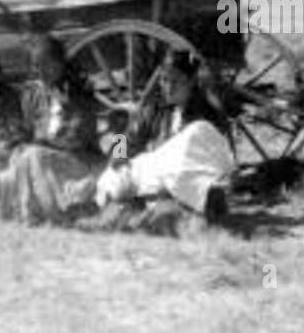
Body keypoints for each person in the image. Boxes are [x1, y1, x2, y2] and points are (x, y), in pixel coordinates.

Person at [0, 34, 104, 224]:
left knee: (33, 155)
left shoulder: (79, 94)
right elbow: (26, 131)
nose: (41, 72)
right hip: (39, 158)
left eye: (47, 65)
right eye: (37, 67)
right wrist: (10, 143)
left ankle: (40, 213)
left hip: (76, 163)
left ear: (60, 64)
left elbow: (78, 138)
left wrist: (44, 143)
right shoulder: (33, 95)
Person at [95, 49, 235, 224]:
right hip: (159, 173)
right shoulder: (155, 109)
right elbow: (128, 141)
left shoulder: (206, 113)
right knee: (113, 178)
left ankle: (196, 202)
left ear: (191, 81)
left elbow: (217, 154)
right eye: (164, 80)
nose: (168, 86)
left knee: (194, 135)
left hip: (189, 173)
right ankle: (141, 205)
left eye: (175, 80)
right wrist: (118, 146)